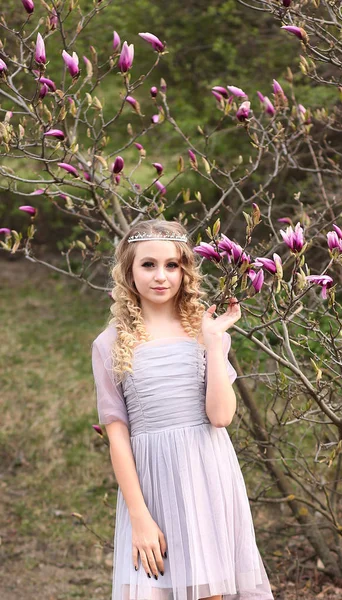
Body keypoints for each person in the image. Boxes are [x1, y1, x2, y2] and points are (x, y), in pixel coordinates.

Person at [91, 218, 275, 600]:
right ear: (129, 270)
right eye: (148, 264)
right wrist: (140, 517)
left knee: (211, 591)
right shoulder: (109, 344)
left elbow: (221, 417)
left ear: (185, 270)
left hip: (207, 475)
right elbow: (117, 436)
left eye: (172, 265)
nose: (161, 276)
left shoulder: (203, 332)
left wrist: (211, 342)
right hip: (151, 485)